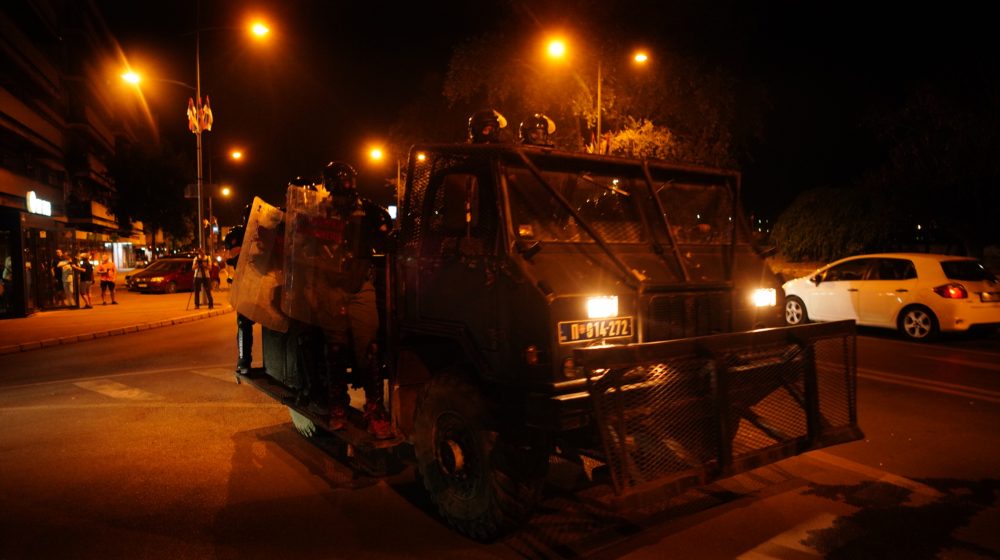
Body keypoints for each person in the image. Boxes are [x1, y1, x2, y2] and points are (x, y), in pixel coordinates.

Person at [316, 160, 392, 438]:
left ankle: (374, 409)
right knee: (335, 348)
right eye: (341, 181)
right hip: (331, 286)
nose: (345, 185)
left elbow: (387, 232)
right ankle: (338, 405)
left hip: (360, 285)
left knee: (369, 347)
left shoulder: (370, 211)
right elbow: (300, 243)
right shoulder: (318, 211)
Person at [224, 204, 253, 374]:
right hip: (245, 283)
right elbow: (230, 256)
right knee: (243, 321)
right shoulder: (237, 235)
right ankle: (244, 360)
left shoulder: (269, 231)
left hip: (268, 283)